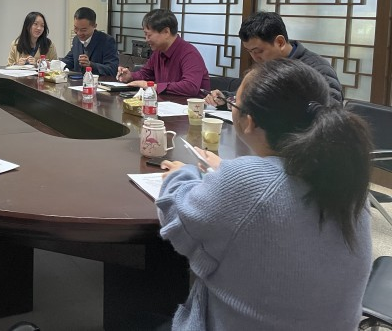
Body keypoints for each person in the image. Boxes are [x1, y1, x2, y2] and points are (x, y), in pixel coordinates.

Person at [157, 59, 372, 330]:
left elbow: (177, 215)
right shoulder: (344, 178)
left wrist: (182, 173)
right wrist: (225, 172)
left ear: (248, 121)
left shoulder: (247, 181)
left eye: (234, 104)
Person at [205, 11, 343, 108]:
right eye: (250, 52)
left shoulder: (316, 68)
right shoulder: (268, 65)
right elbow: (251, 96)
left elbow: (331, 111)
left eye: (258, 51)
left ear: (280, 42)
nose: (255, 57)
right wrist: (225, 98)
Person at [116, 9, 209, 96]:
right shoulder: (158, 51)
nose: (146, 39)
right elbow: (146, 74)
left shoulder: (189, 53)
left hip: (190, 106)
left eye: (149, 35)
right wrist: (130, 76)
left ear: (166, 32)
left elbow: (190, 86)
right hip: (165, 103)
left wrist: (153, 87)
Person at [59, 7, 119, 75]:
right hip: (77, 80)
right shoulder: (76, 39)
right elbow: (70, 59)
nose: (79, 33)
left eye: (83, 30)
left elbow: (112, 70)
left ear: (94, 26)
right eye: (76, 28)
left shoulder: (107, 41)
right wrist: (56, 65)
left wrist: (90, 64)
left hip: (98, 80)